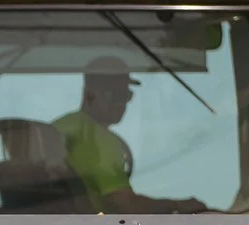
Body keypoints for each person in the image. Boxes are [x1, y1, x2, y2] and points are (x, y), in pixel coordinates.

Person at [52, 57, 204, 213]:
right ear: (89, 94)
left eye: (126, 95)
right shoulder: (99, 140)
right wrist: (177, 205)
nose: (122, 103)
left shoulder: (61, 126)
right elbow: (124, 204)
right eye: (115, 95)